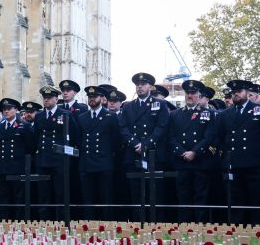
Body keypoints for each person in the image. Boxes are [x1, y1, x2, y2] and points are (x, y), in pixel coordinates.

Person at [217, 79, 260, 224]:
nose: (236, 95)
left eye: (239, 92)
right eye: (233, 93)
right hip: (233, 164)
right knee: (235, 203)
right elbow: (220, 138)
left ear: (247, 93)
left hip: (255, 163)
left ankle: (258, 231)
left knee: (257, 202)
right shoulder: (224, 114)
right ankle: (237, 232)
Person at [119, 73, 171, 221]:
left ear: (150, 86)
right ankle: (138, 226)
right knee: (136, 195)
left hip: (153, 154)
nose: (140, 86)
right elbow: (123, 127)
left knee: (155, 194)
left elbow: (162, 127)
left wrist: (146, 144)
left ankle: (156, 226)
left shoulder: (160, 104)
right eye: (138, 84)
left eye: (143, 84)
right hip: (134, 153)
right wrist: (135, 143)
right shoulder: (128, 106)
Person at [167, 80, 216, 223]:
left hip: (200, 161)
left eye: (193, 93)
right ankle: (184, 227)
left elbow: (209, 136)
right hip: (182, 162)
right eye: (187, 93)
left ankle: (201, 227)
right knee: (183, 197)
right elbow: (170, 137)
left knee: (201, 197)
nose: (190, 95)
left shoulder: (208, 114)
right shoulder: (174, 114)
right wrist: (182, 152)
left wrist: (195, 152)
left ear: (199, 96)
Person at [77, 86, 120, 221]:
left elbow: (116, 141)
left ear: (102, 99)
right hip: (86, 164)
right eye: (90, 97)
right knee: (88, 199)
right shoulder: (82, 117)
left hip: (104, 163)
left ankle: (107, 226)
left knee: (106, 198)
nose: (92, 100)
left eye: (94, 97)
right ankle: (88, 226)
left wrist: (107, 155)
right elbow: (79, 140)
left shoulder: (110, 116)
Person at [34, 86, 77, 220]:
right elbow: (35, 136)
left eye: (49, 98)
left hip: (59, 160)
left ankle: (61, 222)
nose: (46, 101)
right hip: (43, 159)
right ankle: (44, 221)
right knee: (43, 193)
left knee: (60, 193)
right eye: (44, 98)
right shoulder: (40, 116)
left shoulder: (64, 114)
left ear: (56, 99)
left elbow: (74, 135)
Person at [0, 98, 34, 220]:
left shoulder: (24, 126)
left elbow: (30, 148)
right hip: (2, 168)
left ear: (16, 110)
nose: (6, 111)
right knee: (3, 199)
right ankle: (5, 224)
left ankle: (19, 225)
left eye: (9, 109)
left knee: (18, 199)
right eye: (4, 109)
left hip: (18, 168)